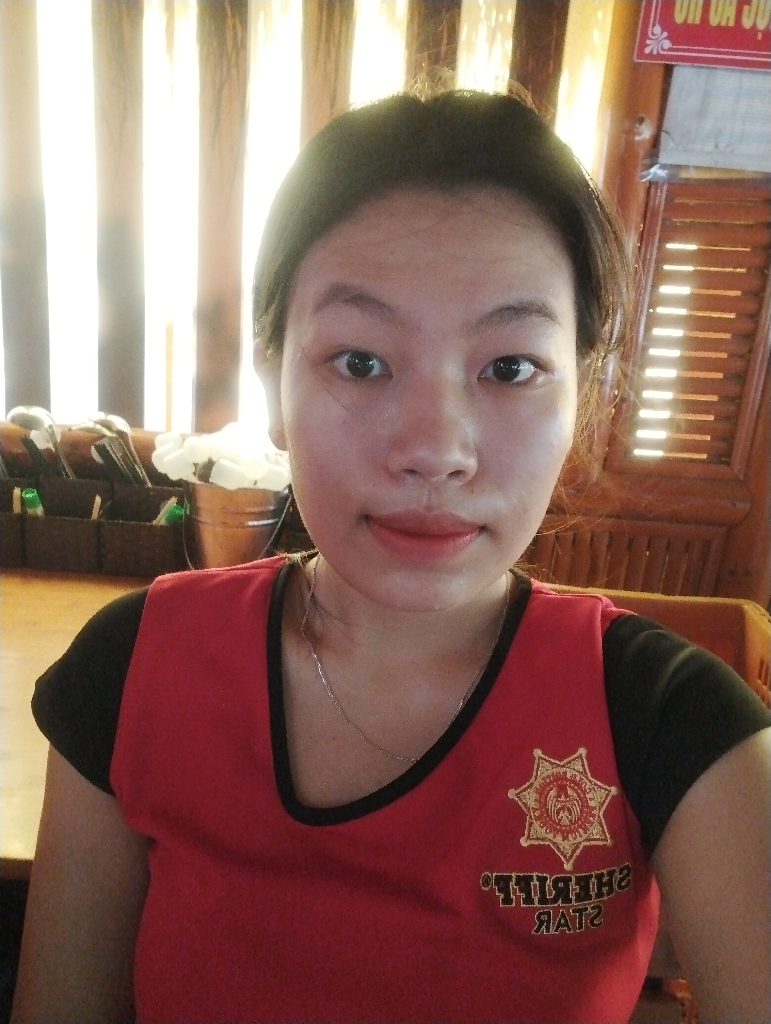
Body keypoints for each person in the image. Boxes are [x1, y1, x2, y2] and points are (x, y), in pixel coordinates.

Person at [11, 90, 771, 1024]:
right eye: (360, 362)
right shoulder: (133, 669)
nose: (434, 449)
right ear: (273, 383)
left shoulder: (672, 723)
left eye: (509, 367)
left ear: (583, 396)